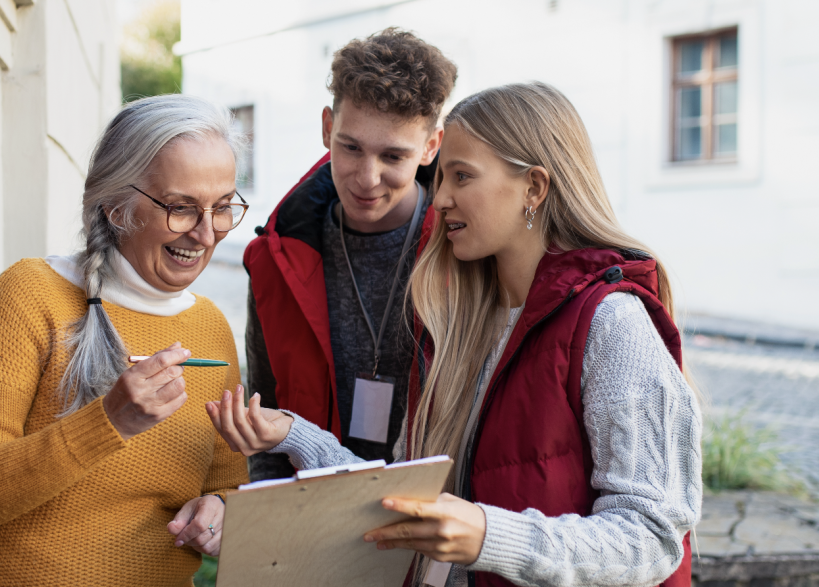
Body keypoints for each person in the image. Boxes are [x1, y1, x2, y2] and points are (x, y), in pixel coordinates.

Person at [209, 82, 702, 587]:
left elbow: (653, 536)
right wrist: (294, 435)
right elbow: (405, 491)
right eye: (442, 176)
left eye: (461, 177)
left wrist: (487, 536)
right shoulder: (456, 323)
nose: (439, 199)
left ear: (534, 187)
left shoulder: (612, 323)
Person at [0, 95, 251, 586]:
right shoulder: (31, 294)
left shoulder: (211, 326)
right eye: (181, 208)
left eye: (224, 207)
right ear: (115, 204)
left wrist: (218, 513)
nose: (208, 234)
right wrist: (109, 422)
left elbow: (225, 484)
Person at [245, 28, 458, 480]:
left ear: (430, 147)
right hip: (309, 522)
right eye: (351, 147)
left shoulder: (466, 254)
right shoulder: (274, 261)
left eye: (393, 157)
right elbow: (265, 421)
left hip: (436, 521)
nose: (367, 177)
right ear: (327, 128)